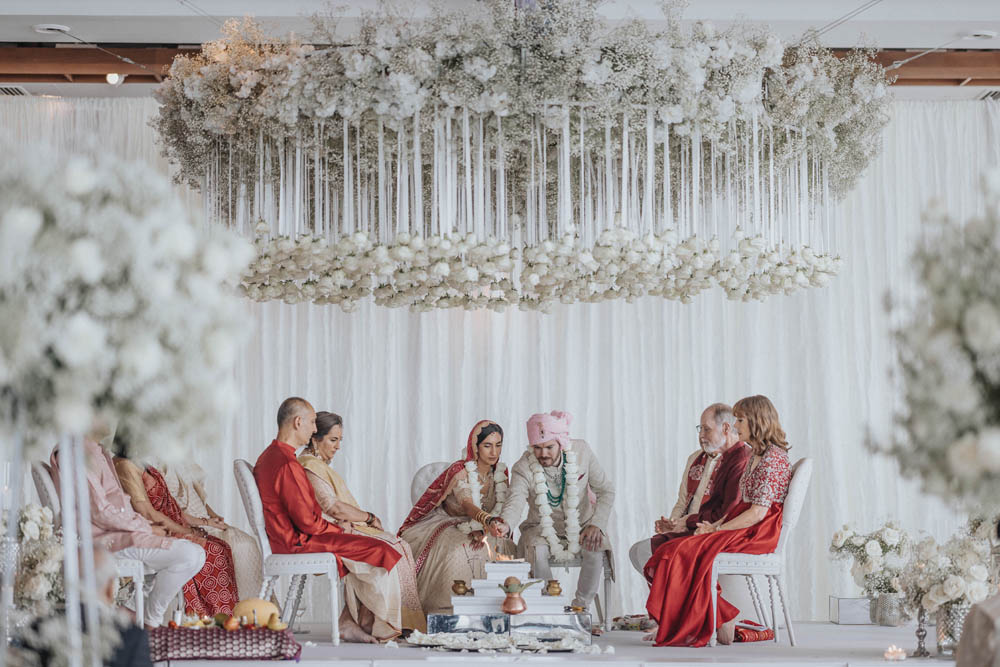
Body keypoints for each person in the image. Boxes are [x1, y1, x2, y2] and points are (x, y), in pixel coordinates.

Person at [643, 395, 793, 647]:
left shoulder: (773, 458)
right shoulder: (758, 454)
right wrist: (711, 527)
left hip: (758, 530)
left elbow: (757, 512)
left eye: (741, 420)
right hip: (744, 522)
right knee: (671, 548)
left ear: (757, 421)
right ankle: (719, 618)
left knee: (683, 551)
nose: (736, 426)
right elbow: (741, 507)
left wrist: (718, 528)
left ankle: (717, 620)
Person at [254, 397, 403, 643]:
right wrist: (338, 528)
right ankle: (375, 626)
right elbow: (308, 523)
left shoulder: (272, 455)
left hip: (287, 536)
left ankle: (354, 621)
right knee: (382, 550)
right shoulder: (286, 464)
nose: (314, 429)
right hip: (296, 541)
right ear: (298, 422)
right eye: (312, 422)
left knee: (372, 544)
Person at [50, 437, 205, 628]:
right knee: (191, 554)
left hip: (118, 532)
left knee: (193, 552)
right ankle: (150, 621)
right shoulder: (77, 452)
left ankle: (133, 611)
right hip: (102, 539)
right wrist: (146, 528)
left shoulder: (95, 450)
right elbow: (101, 511)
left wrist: (145, 526)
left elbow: (115, 506)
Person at [299, 411, 425, 632]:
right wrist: (369, 517)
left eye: (340, 440)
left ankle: (367, 620)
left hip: (341, 524)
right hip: (329, 530)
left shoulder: (318, 465)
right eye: (333, 439)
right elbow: (331, 506)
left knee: (399, 545)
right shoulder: (310, 465)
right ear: (314, 438)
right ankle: (373, 622)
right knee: (390, 547)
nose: (338, 446)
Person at [499, 411, 615, 612]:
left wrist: (597, 524)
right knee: (536, 549)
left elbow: (606, 490)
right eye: (537, 448)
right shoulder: (523, 467)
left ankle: (581, 608)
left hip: (584, 524)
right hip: (540, 528)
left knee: (596, 545)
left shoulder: (582, 452)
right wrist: (505, 523)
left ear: (561, 443)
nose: (543, 454)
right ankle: (551, 606)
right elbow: (515, 500)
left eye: (549, 447)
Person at [398, 420, 515, 614]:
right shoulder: (460, 471)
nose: (494, 452)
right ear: (475, 447)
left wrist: (486, 527)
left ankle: (497, 610)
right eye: (487, 445)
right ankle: (446, 611)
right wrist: (486, 521)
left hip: (486, 524)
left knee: (505, 548)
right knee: (459, 550)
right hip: (448, 522)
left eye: (498, 445)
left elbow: (501, 506)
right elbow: (467, 505)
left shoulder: (500, 472)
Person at [628, 403, 751, 574]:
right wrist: (674, 523)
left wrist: (687, 523)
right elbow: (683, 500)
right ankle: (672, 598)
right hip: (691, 526)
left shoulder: (737, 460)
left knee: (645, 552)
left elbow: (728, 511)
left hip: (708, 530)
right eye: (699, 429)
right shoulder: (695, 458)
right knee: (638, 552)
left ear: (725, 428)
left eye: (706, 429)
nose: (700, 436)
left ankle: (674, 598)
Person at [114, 455, 239, 617]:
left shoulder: (143, 464)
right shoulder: (125, 465)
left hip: (174, 526)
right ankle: (203, 620)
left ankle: (224, 619)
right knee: (212, 552)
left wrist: (206, 522)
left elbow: (176, 511)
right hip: (157, 530)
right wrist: (187, 532)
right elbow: (148, 513)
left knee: (222, 547)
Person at [157, 461, 263, 601]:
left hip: (204, 521)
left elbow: (199, 499)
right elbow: (169, 510)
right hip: (187, 525)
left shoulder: (180, 460)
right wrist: (205, 522)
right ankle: (242, 609)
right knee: (241, 545)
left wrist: (213, 516)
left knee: (245, 542)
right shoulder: (156, 466)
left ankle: (254, 607)